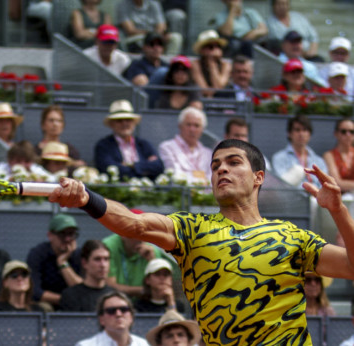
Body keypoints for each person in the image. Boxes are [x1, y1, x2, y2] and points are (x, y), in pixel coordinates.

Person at [48, 137, 354, 345]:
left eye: (234, 162)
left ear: (258, 177)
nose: (221, 168)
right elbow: (134, 223)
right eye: (215, 165)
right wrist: (87, 198)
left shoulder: (292, 236)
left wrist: (339, 211)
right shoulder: (192, 228)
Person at [94, 99, 164, 181]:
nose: (124, 123)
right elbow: (108, 169)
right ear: (111, 124)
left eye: (128, 119)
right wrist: (145, 168)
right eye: (119, 121)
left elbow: (159, 167)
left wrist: (131, 165)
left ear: (134, 123)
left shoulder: (143, 144)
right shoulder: (103, 146)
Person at [103, 209, 164, 298]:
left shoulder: (152, 251)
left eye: (143, 234)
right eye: (135, 234)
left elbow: (160, 287)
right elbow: (109, 286)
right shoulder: (108, 247)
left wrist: (152, 260)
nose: (140, 239)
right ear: (121, 234)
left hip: (144, 304)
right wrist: (144, 290)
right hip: (116, 302)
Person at [26, 213, 82, 311]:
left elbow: (83, 290)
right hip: (48, 305)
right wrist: (66, 300)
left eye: (71, 234)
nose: (67, 239)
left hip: (74, 306)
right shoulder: (38, 254)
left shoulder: (80, 256)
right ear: (50, 235)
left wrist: (63, 263)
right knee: (44, 307)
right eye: (62, 234)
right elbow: (35, 292)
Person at [158, 107, 211, 184]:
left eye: (196, 126)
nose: (192, 129)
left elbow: (212, 179)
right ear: (180, 126)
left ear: (202, 129)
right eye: (188, 125)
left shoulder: (208, 153)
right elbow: (176, 177)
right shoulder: (167, 147)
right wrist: (202, 183)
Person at [272, 114, 327, 188]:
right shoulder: (279, 158)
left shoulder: (319, 161)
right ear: (289, 134)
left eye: (304, 130)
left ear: (309, 134)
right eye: (297, 130)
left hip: (316, 197)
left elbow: (324, 184)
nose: (301, 134)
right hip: (292, 198)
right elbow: (282, 186)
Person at [75, 291, 149, 346]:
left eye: (124, 309)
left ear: (131, 317)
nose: (118, 314)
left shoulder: (144, 344)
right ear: (101, 320)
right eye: (111, 311)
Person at [60, 239, 115, 311]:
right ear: (84, 263)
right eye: (97, 259)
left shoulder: (116, 296)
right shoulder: (70, 296)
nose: (103, 265)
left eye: (106, 259)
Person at [116, 0, 182, 55]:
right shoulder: (122, 6)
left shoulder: (154, 4)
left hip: (155, 34)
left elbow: (161, 25)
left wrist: (156, 35)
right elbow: (130, 30)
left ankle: (168, 62)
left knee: (176, 38)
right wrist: (150, 35)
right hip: (136, 37)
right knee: (142, 41)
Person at [35, 105, 85, 171]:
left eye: (59, 121)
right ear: (43, 124)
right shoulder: (34, 151)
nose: (55, 124)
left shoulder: (71, 151)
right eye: (51, 120)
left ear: (63, 125)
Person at [190, 30, 231, 98]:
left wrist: (212, 63)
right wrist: (211, 61)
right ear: (202, 50)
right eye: (210, 47)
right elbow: (204, 89)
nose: (215, 49)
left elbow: (219, 87)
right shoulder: (195, 64)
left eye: (218, 46)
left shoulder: (225, 65)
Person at [323, 118, 354, 194]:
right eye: (343, 132)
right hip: (337, 197)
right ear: (336, 134)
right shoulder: (329, 155)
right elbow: (336, 182)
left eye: (352, 132)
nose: (348, 135)